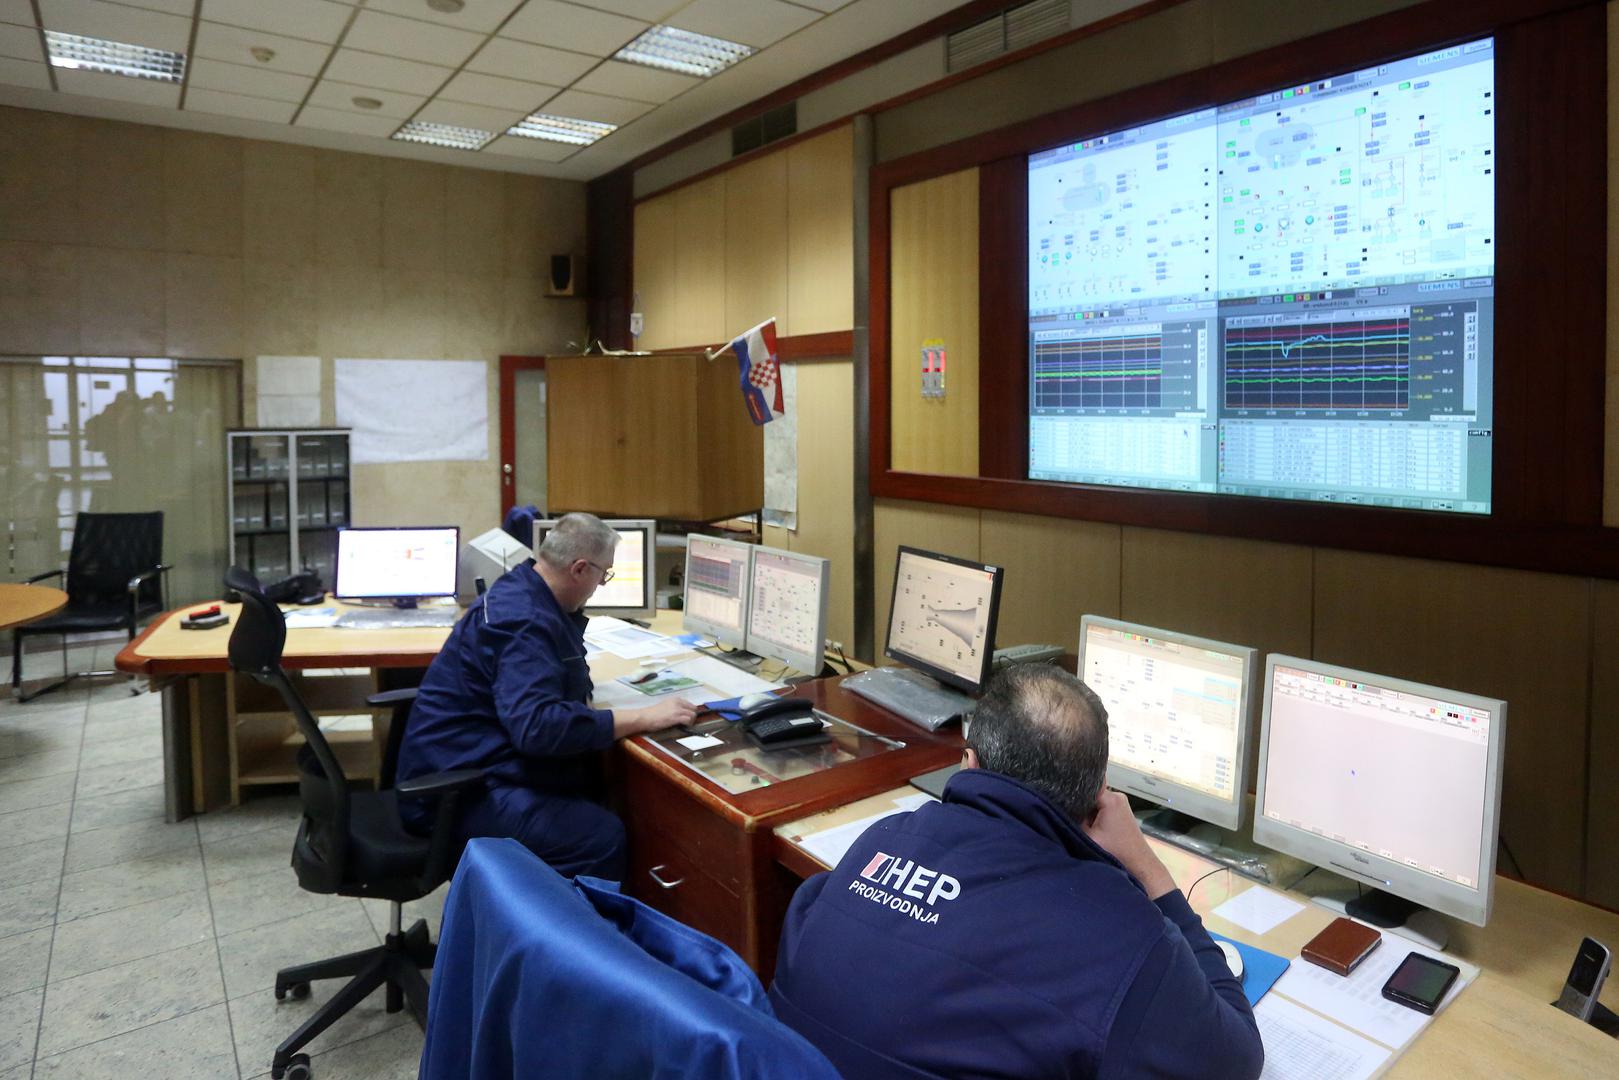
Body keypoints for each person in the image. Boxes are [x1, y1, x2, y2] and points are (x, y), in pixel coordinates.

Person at [769, 663, 1264, 1080]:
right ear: (1100, 795)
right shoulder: (1119, 933)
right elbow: (1236, 1060)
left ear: (968, 764)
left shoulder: (882, 839)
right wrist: (1151, 872)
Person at [394, 512, 696, 880]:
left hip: (468, 760)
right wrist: (644, 717)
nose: (600, 585)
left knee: (596, 787)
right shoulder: (525, 622)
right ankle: (553, 919)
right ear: (580, 569)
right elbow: (537, 728)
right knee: (600, 838)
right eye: (604, 575)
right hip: (458, 794)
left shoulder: (523, 589)